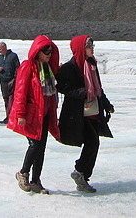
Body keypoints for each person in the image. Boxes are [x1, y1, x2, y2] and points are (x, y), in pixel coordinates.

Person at [57, 35, 115, 193]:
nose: (92, 48)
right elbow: (61, 86)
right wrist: (81, 92)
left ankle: (82, 174)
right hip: (78, 113)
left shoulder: (91, 64)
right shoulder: (70, 67)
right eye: (89, 45)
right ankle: (80, 172)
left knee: (93, 143)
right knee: (93, 143)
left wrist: (107, 104)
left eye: (92, 45)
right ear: (80, 48)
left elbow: (98, 88)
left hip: (93, 110)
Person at [8, 35, 60, 195]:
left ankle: (36, 181)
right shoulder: (27, 67)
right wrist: (20, 114)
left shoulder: (47, 68)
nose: (48, 54)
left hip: (43, 115)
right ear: (37, 51)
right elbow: (20, 92)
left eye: (50, 51)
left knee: (41, 148)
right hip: (30, 115)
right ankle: (23, 173)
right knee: (35, 145)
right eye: (45, 51)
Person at [0, 42, 20, 124]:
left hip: (12, 81)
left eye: (1, 49)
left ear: (5, 47)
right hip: (3, 81)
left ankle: (13, 116)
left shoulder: (13, 56)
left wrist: (15, 79)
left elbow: (18, 68)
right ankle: (8, 116)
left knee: (12, 99)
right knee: (6, 99)